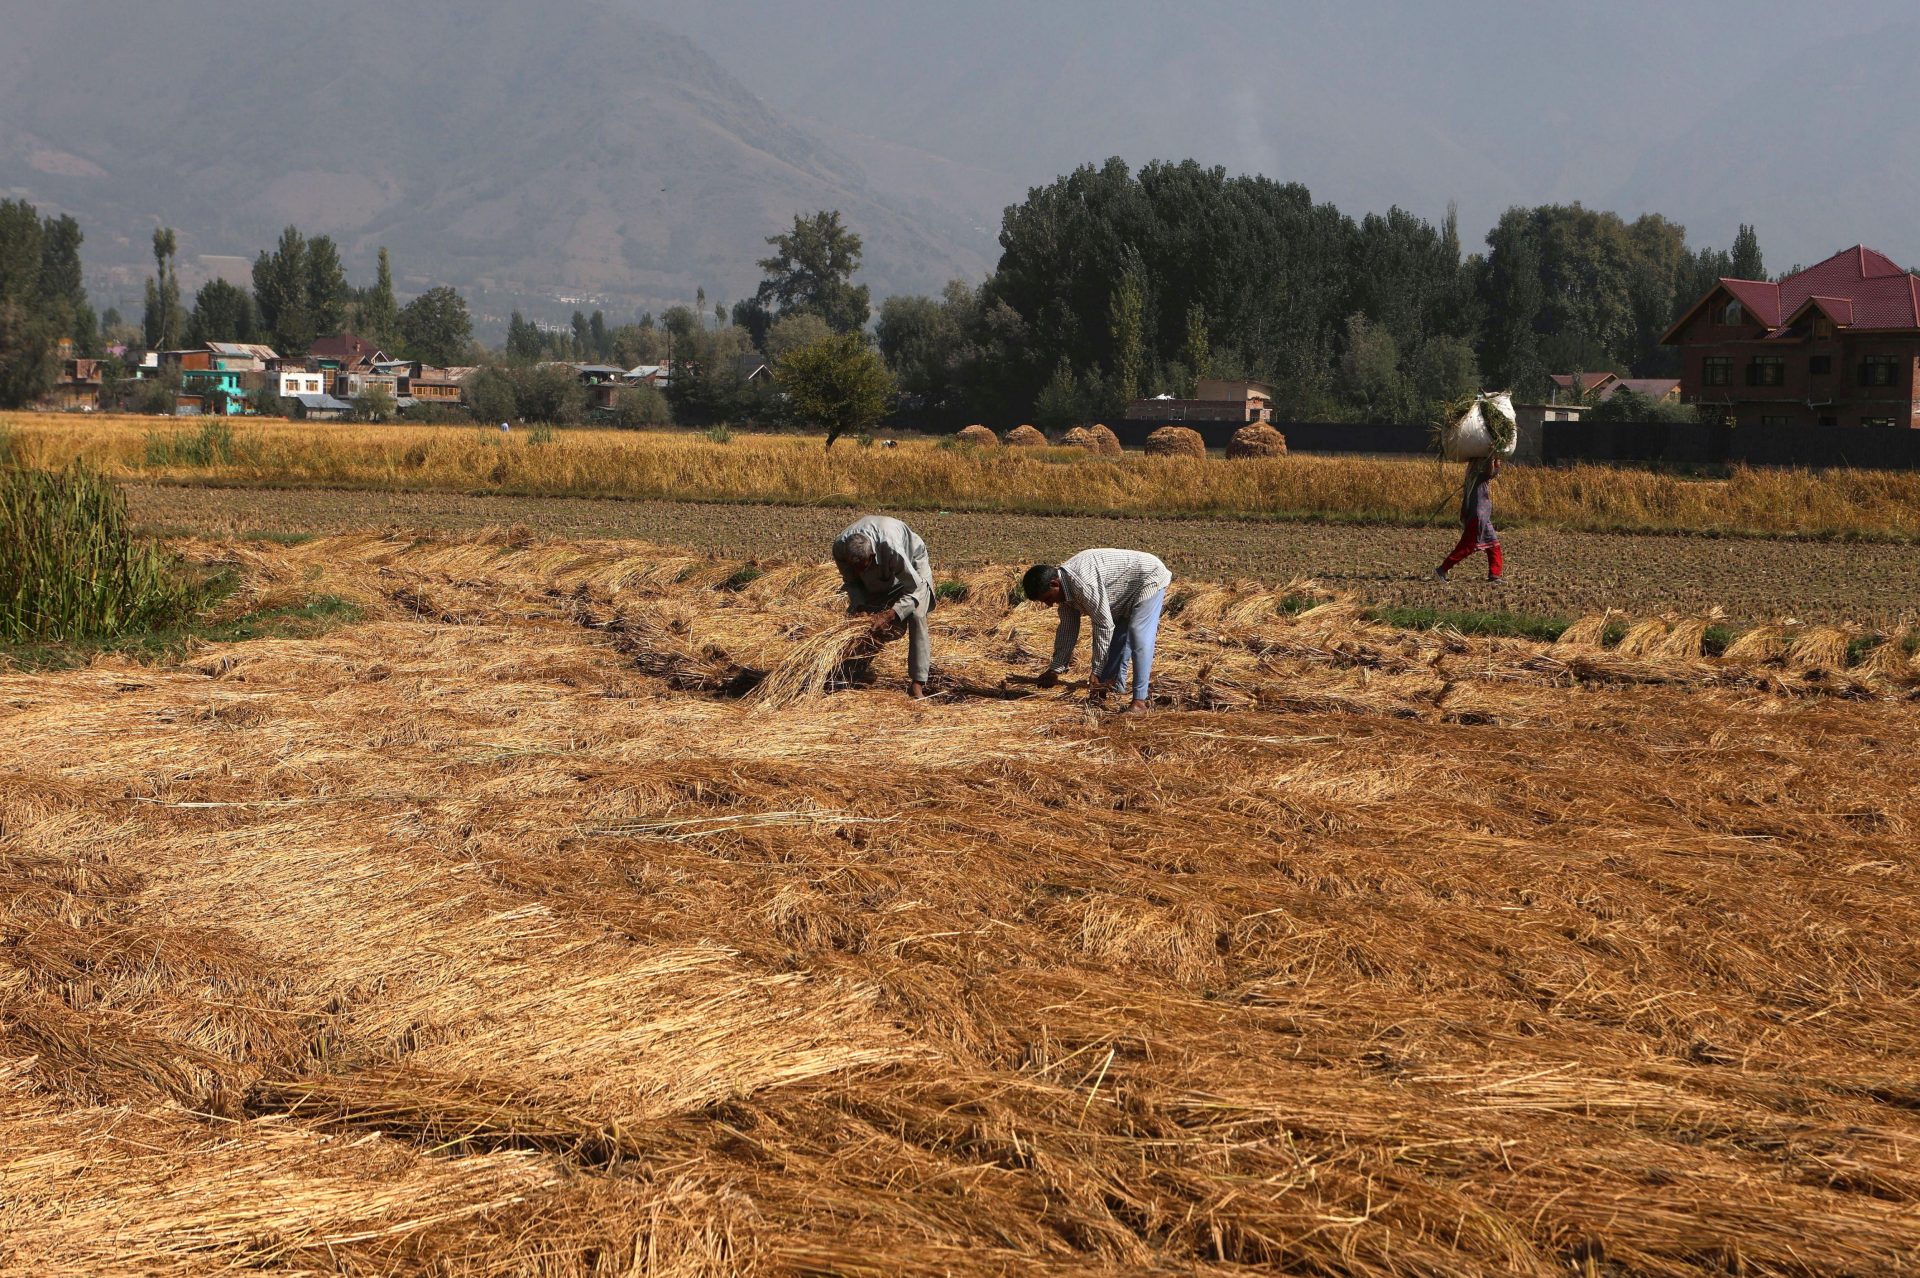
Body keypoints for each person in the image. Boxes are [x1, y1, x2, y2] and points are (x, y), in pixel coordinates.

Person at [1022, 548, 1171, 714]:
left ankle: (1139, 702)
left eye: (1048, 598)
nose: (1049, 604)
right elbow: (1067, 630)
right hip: (1122, 593)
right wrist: (1055, 669)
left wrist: (1097, 672)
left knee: (1138, 634)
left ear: (1054, 584)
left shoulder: (1082, 583)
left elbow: (1104, 625)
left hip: (1149, 577)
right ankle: (1112, 687)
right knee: (1116, 641)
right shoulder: (1064, 593)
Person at [831, 515, 935, 698]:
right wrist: (860, 606)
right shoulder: (840, 549)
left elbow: (914, 588)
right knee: (867, 622)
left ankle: (917, 682)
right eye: (855, 568)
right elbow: (851, 582)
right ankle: (852, 670)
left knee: (916, 615)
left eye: (862, 567)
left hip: (912, 562)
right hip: (882, 567)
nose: (858, 572)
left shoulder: (891, 547)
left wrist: (890, 614)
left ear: (871, 557)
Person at [1436, 455, 1503, 581]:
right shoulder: (1479, 474)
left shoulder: (1473, 474)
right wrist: (1494, 458)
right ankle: (1442, 569)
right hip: (1478, 515)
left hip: (1483, 516)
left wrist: (1495, 460)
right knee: (1468, 546)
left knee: (1493, 544)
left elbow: (1493, 472)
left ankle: (1495, 574)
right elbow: (1491, 472)